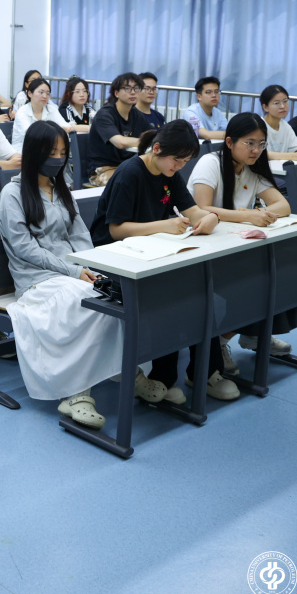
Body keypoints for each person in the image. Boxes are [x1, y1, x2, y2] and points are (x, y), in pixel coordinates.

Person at [0, 120, 123, 427]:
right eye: (51, 152)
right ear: (34, 152)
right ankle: (77, 393)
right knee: (85, 302)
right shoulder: (12, 194)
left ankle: (126, 371)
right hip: (35, 279)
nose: (58, 158)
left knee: (112, 296)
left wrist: (92, 268)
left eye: (62, 152)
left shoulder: (60, 189)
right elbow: (25, 249)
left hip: (71, 273)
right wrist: (74, 270)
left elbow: (79, 235)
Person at [89, 120, 225, 403]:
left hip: (150, 254)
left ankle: (206, 372)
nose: (179, 167)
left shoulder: (168, 172)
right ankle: (163, 377)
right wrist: (164, 225)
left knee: (201, 292)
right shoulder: (130, 173)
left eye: (185, 162)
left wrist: (211, 217)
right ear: (158, 148)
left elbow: (193, 210)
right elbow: (115, 230)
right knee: (173, 296)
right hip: (115, 259)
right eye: (177, 160)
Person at [188, 113, 297, 372]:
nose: (256, 150)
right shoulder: (210, 163)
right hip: (204, 246)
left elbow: (283, 205)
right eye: (249, 143)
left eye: (261, 144)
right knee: (255, 279)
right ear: (229, 142)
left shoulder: (252, 169)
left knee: (281, 268)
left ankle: (253, 333)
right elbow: (201, 209)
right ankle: (221, 341)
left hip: (234, 244)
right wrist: (248, 215)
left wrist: (255, 213)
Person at [86, 72, 150, 186]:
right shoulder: (104, 115)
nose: (133, 92)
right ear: (116, 93)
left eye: (136, 88)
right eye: (127, 88)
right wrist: (145, 141)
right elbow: (120, 143)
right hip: (102, 170)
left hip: (127, 167)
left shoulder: (136, 115)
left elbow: (154, 135)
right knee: (132, 183)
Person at [12, 77, 76, 151]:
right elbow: (31, 134)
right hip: (23, 148)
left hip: (48, 147)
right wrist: (57, 130)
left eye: (48, 93)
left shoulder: (51, 109)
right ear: (30, 93)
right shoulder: (22, 112)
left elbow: (66, 127)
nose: (45, 96)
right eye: (41, 92)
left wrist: (64, 129)